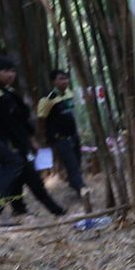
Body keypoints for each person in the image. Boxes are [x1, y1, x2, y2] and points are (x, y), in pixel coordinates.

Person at [0, 55, 65, 217]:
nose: (11, 74)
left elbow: (20, 120)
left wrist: (32, 141)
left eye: (12, 71)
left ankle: (19, 210)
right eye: (6, 71)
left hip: (20, 144)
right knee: (30, 180)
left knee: (19, 179)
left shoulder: (9, 92)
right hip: (7, 146)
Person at [37, 68, 91, 210]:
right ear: (53, 81)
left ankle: (74, 184)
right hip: (59, 138)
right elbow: (41, 119)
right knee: (72, 164)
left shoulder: (68, 93)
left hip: (73, 135)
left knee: (77, 162)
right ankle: (82, 190)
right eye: (61, 79)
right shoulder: (48, 99)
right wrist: (45, 136)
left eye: (66, 78)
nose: (65, 81)